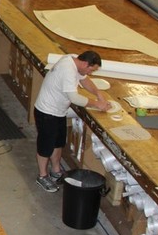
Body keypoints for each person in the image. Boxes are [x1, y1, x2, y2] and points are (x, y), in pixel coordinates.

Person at [32, 50, 108, 192]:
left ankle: (56, 171)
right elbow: (75, 98)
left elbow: (84, 79)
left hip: (58, 112)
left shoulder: (73, 59)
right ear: (85, 63)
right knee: (45, 147)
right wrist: (97, 104)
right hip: (46, 113)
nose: (91, 73)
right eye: (91, 69)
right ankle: (42, 176)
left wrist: (98, 94)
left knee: (58, 143)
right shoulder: (67, 70)